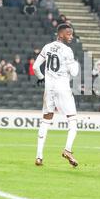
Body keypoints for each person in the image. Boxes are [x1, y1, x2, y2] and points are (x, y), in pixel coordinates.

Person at [33, 23, 79, 167]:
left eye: (71, 34)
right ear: (60, 34)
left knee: (46, 120)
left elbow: (35, 67)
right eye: (68, 34)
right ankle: (68, 150)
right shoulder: (67, 50)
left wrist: (41, 77)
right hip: (63, 88)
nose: (71, 36)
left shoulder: (47, 47)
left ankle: (39, 156)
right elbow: (75, 73)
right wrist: (76, 63)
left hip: (49, 89)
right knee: (73, 121)